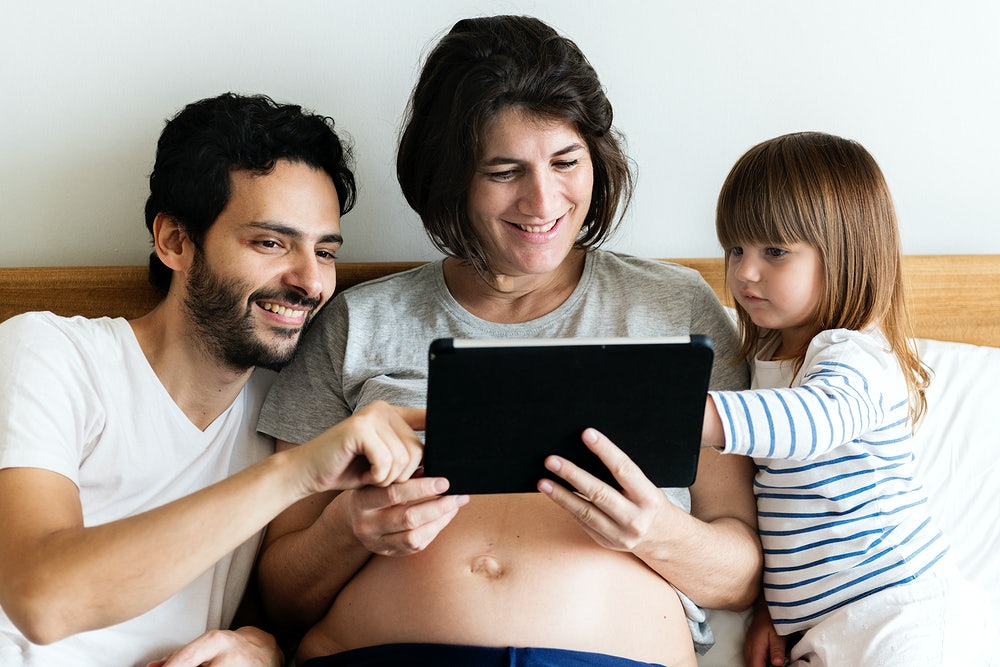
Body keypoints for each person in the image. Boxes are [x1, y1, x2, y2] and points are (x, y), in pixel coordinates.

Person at [256, 15, 761, 667]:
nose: (543, 199)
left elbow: (744, 572)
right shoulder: (355, 322)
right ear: (452, 178)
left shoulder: (673, 306)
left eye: (565, 162)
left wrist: (655, 532)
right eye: (504, 171)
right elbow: (279, 597)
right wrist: (351, 526)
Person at [0, 92, 424, 667]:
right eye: (271, 243)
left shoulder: (285, 408)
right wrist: (297, 472)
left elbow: (268, 608)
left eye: (324, 251)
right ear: (175, 241)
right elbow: (41, 599)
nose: (309, 282)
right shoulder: (52, 351)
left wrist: (262, 649)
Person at [700, 131, 997, 666]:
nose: (744, 271)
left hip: (903, 609)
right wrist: (776, 609)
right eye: (735, 248)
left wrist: (695, 413)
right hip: (825, 628)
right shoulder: (764, 363)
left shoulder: (856, 355)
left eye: (774, 251)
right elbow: (786, 509)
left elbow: (816, 420)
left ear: (844, 255)